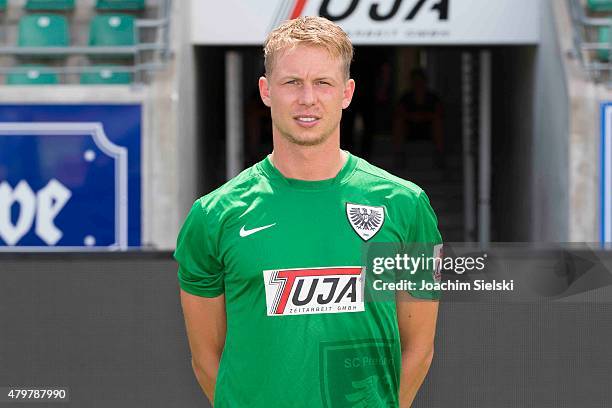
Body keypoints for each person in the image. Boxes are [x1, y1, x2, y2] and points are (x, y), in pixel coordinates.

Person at [175, 16, 441, 408]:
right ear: (266, 91)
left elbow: (419, 349)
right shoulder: (213, 216)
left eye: (323, 83)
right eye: (291, 83)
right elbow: (206, 360)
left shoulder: (406, 205)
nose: (307, 99)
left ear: (347, 93)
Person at [393, 68, 445, 168]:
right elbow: (399, 112)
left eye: (420, 80)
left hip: (428, 130)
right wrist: (413, 117)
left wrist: (423, 117)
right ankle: (399, 155)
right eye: (415, 81)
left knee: (438, 123)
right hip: (410, 130)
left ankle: (440, 155)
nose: (418, 83)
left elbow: (439, 113)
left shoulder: (432, 97)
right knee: (398, 123)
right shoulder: (406, 97)